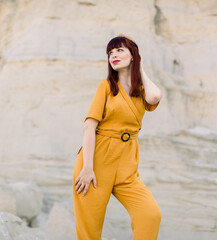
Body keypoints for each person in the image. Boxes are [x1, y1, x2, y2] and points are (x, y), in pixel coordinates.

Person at [72, 35, 162, 240]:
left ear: (133, 56)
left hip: (127, 164)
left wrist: (139, 67)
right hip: (96, 161)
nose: (113, 55)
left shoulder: (141, 91)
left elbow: (155, 97)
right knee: (89, 233)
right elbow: (89, 127)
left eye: (120, 50)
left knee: (150, 215)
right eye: (110, 53)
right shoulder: (105, 86)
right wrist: (87, 169)